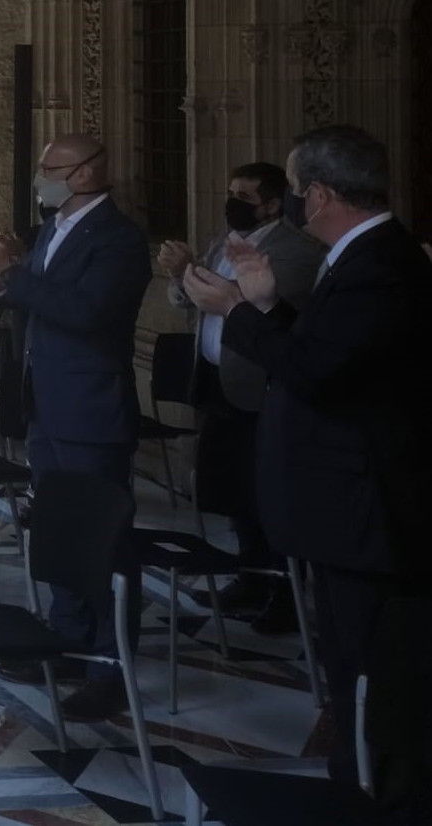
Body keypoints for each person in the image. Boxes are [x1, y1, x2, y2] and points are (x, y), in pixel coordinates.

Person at [183, 125, 432, 810]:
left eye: (293, 191)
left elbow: (317, 371)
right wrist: (269, 303)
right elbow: (332, 349)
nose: (293, 204)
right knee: (351, 662)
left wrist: (236, 310)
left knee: (369, 672)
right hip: (349, 508)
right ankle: (362, 778)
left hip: (365, 511)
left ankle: (377, 794)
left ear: (319, 193)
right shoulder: (363, 258)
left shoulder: (380, 263)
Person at [0, 133, 150, 720]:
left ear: (87, 173)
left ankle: (112, 660)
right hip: (47, 401)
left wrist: (13, 274)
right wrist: (1, 281)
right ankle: (68, 638)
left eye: (51, 168)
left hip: (90, 407)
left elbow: (85, 312)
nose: (41, 176)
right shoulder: (52, 229)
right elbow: (40, 303)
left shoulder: (119, 240)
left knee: (103, 541)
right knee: (57, 530)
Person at [157, 161, 321, 632]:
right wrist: (185, 272)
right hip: (218, 381)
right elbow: (188, 299)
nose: (232, 203)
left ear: (272, 203)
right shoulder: (223, 242)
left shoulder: (292, 251)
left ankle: (284, 594)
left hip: (262, 389)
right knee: (234, 492)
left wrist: (203, 277)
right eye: (231, 192)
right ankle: (249, 575)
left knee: (270, 496)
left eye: (244, 197)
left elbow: (265, 308)